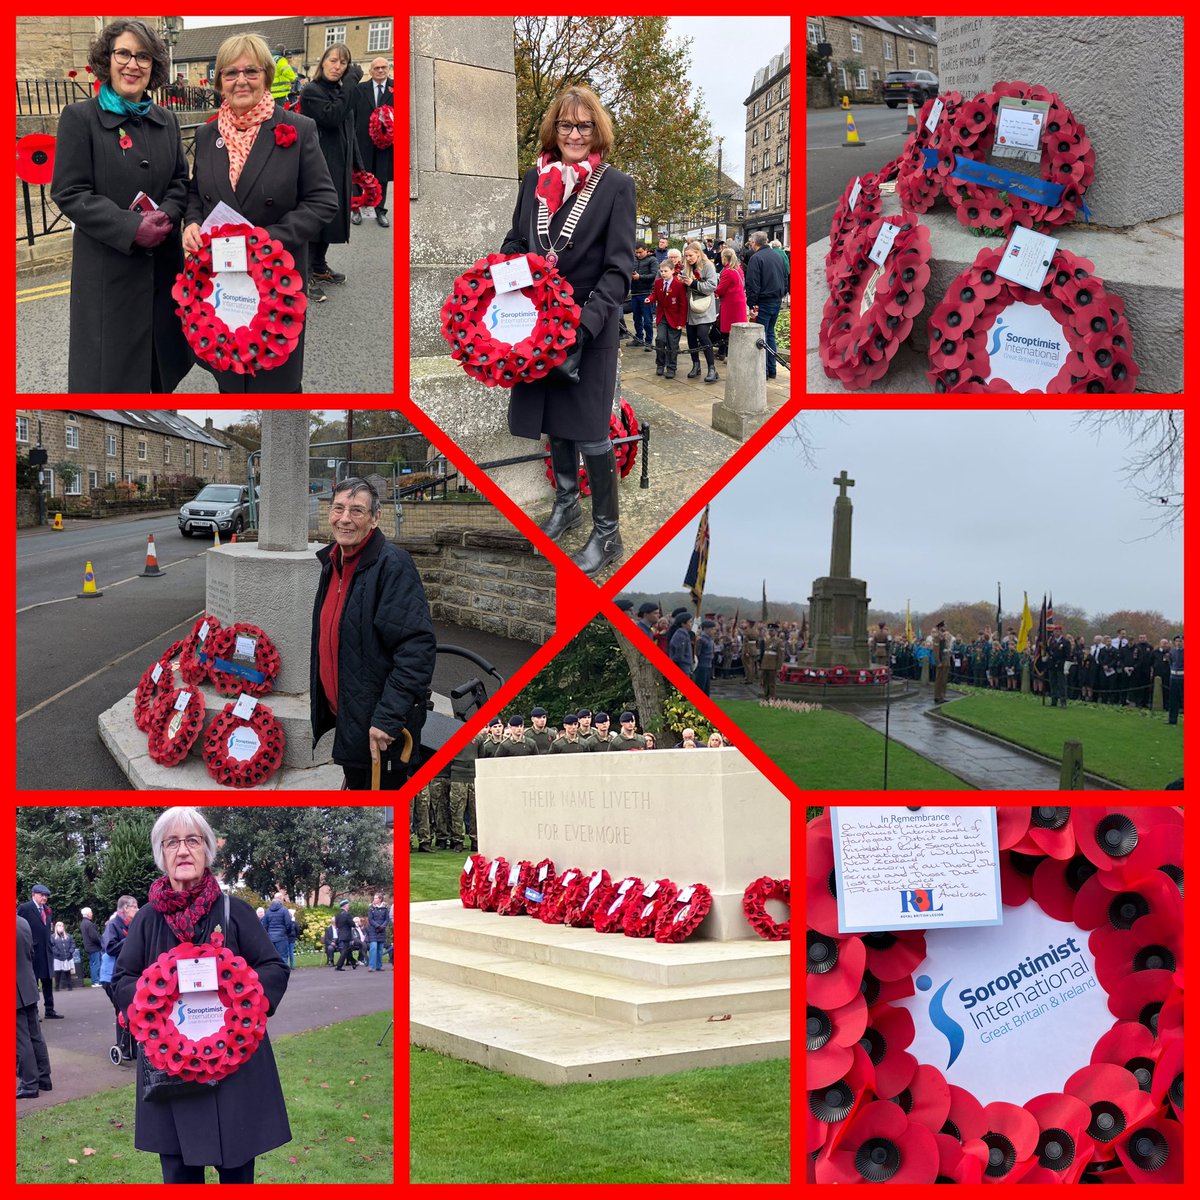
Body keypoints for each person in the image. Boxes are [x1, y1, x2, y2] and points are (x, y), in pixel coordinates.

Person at [113, 806, 290, 1183]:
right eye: (172, 842)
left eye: (192, 840)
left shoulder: (235, 911)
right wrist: (149, 1001)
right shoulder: (146, 919)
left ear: (207, 850)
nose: (182, 850)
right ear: (161, 854)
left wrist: (242, 996)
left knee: (237, 1170)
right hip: (171, 1072)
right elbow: (123, 979)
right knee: (179, 1173)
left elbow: (273, 969)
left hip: (233, 1067)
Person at [500, 84, 636, 575]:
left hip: (587, 327)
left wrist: (584, 323)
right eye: (565, 125)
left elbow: (619, 269)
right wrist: (504, 269)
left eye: (583, 125)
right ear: (553, 130)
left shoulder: (616, 185)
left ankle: (608, 533)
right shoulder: (532, 181)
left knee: (592, 432)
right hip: (536, 326)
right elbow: (517, 238)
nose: (575, 133)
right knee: (553, 421)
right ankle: (566, 502)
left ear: (597, 129)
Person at [183, 32, 338, 393]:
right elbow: (196, 192)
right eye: (231, 73)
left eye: (251, 71)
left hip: (275, 277)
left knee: (275, 383)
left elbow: (323, 200)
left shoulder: (297, 129)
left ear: (266, 76)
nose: (241, 80)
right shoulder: (207, 136)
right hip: (222, 279)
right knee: (229, 375)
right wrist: (190, 222)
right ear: (219, 80)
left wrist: (265, 241)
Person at [50, 19, 191, 393]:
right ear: (107, 60)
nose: (133, 64)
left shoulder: (168, 120)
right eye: (123, 53)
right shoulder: (80, 119)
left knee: (158, 376)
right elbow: (69, 191)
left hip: (162, 269)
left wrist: (168, 214)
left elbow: (180, 180)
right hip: (108, 274)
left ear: (154, 65)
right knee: (112, 384)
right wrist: (130, 228)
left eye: (143, 56)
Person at [311, 477, 437, 790]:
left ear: (375, 518)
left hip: (381, 728)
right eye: (338, 508)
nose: (344, 518)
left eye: (356, 511)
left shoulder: (392, 565)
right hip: (351, 716)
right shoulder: (333, 562)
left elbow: (416, 648)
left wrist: (388, 717)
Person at [302, 43, 357, 301]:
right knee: (316, 218)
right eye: (333, 61)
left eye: (343, 63)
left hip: (339, 163)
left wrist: (358, 166)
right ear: (322, 62)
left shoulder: (339, 90)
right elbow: (332, 117)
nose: (337, 67)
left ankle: (320, 265)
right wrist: (350, 87)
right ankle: (306, 272)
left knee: (332, 217)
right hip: (318, 164)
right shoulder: (312, 91)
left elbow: (349, 130)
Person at [744, 230, 789, 380]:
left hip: (763, 301)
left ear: (754, 243)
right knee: (770, 334)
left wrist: (752, 304)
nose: (750, 245)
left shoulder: (756, 258)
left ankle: (763, 371)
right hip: (776, 300)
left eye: (751, 243)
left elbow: (753, 283)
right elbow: (785, 277)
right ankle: (772, 369)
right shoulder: (778, 255)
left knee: (761, 337)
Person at [354, 57, 393, 228]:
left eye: (383, 67)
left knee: (382, 176)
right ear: (370, 71)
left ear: (388, 69)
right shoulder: (361, 89)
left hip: (386, 143)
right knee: (359, 175)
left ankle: (380, 211)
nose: (380, 70)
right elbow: (353, 114)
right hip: (363, 140)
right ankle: (356, 209)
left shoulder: (396, 88)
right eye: (376, 68)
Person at [17, 914, 53, 1100]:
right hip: (27, 984)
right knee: (35, 1035)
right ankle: (44, 1078)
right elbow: (30, 953)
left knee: (20, 1039)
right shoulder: (22, 922)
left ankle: (29, 1083)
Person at [16, 885, 59, 1019]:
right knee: (33, 982)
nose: (44, 898)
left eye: (46, 896)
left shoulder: (47, 910)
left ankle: (50, 1010)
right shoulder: (25, 908)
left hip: (46, 951)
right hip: (32, 951)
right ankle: (34, 1012)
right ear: (33, 895)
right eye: (42, 895)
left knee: (47, 981)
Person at [682, 240, 720, 383]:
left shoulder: (708, 266)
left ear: (698, 253)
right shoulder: (687, 267)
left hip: (704, 306)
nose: (688, 258)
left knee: (703, 335)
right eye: (686, 256)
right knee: (691, 337)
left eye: (690, 255)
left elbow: (712, 286)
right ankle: (696, 365)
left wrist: (692, 283)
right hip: (691, 307)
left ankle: (712, 368)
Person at [651, 258, 687, 378]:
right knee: (660, 340)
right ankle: (660, 364)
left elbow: (683, 305)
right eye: (661, 271)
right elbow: (655, 294)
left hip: (675, 318)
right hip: (662, 316)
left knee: (673, 344)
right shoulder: (658, 283)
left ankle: (671, 367)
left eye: (666, 271)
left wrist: (681, 322)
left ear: (672, 271)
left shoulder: (679, 285)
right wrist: (650, 299)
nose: (663, 273)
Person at [713, 246, 747, 361]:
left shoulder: (727, 271)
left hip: (730, 303)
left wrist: (714, 293)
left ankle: (722, 352)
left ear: (724, 258)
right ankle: (727, 352)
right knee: (735, 329)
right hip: (739, 302)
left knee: (725, 328)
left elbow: (721, 289)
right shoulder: (738, 269)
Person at [629, 243, 657, 349]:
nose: (638, 254)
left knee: (648, 320)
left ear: (646, 250)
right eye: (636, 253)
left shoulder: (652, 260)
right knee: (636, 318)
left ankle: (649, 341)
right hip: (635, 292)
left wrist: (639, 277)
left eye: (640, 252)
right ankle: (639, 338)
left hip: (647, 292)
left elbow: (654, 275)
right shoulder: (634, 260)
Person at [263, 891, 292, 962]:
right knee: (283, 957)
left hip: (271, 937)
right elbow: (288, 924)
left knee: (272, 958)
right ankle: (284, 972)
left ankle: (274, 972)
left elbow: (264, 925)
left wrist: (268, 934)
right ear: (281, 899)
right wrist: (287, 932)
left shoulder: (268, 911)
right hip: (282, 937)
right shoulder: (284, 909)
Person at [49, 921, 76, 993]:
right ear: (56, 927)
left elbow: (73, 944)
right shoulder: (53, 937)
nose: (61, 927)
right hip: (58, 957)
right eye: (59, 926)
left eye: (62, 926)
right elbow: (52, 946)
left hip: (67, 956)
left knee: (68, 972)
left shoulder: (68, 935)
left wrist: (70, 952)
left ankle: (69, 986)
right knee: (57, 972)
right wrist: (58, 953)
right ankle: (57, 987)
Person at [80, 907, 103, 988]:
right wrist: (101, 943)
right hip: (94, 947)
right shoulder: (89, 924)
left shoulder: (83, 923)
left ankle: (95, 981)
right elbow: (94, 937)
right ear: (87, 914)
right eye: (91, 912)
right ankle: (96, 981)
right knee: (96, 964)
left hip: (89, 947)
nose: (92, 913)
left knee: (93, 964)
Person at [366, 893, 389, 971]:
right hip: (373, 930)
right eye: (374, 898)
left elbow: (387, 919)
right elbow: (370, 919)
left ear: (380, 899)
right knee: (373, 948)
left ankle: (379, 965)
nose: (374, 899)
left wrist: (383, 926)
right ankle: (371, 966)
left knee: (380, 949)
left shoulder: (385, 908)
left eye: (376, 898)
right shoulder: (371, 908)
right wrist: (377, 926)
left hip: (382, 931)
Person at [932, 621, 953, 703]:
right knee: (939, 680)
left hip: (946, 662)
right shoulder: (937, 638)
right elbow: (936, 651)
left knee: (944, 680)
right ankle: (937, 696)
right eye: (944, 626)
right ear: (940, 628)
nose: (945, 628)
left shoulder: (945, 638)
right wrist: (938, 662)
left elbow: (947, 650)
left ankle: (942, 696)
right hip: (941, 662)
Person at [694, 618, 716, 695]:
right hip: (702, 665)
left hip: (708, 665)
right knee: (701, 686)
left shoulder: (710, 639)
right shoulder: (701, 640)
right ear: (706, 629)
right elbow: (697, 653)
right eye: (712, 629)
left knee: (706, 687)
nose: (714, 631)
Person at [334, 900, 356, 970]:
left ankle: (353, 962)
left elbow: (336, 925)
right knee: (345, 950)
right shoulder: (347, 914)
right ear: (345, 906)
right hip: (347, 934)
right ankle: (339, 966)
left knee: (348, 950)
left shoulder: (337, 915)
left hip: (340, 934)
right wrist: (355, 924)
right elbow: (352, 924)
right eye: (348, 905)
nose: (349, 906)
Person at [1168, 634, 1183, 725]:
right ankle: (1172, 720)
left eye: (1180, 641)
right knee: (1173, 700)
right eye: (1177, 641)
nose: (1179, 643)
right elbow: (1170, 662)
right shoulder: (1172, 651)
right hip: (1173, 678)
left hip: (1183, 678)